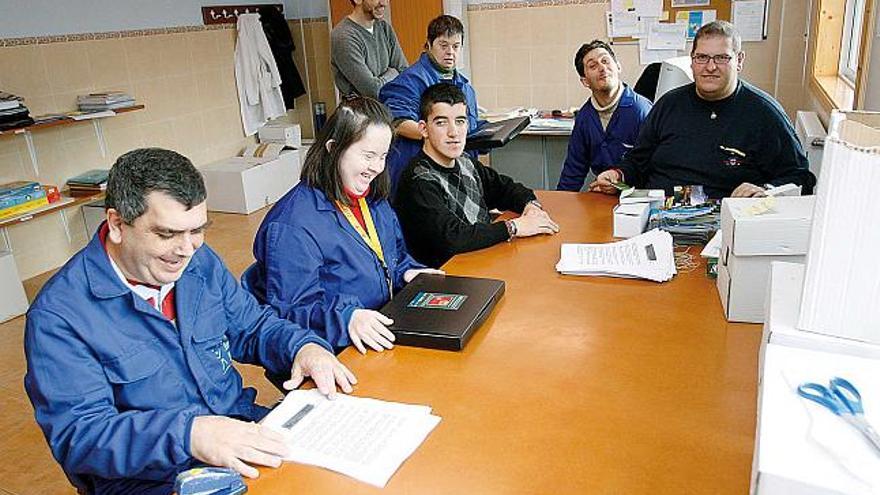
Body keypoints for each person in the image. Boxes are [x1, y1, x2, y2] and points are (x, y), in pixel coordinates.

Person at [24, 148, 355, 494]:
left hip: (239, 431)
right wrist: (189, 434)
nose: (186, 249)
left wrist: (304, 347)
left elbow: (253, 327)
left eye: (197, 230)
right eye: (167, 234)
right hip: (152, 479)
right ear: (117, 224)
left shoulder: (198, 262)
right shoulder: (60, 317)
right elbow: (82, 437)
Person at [245, 96, 441, 355]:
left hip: (377, 327)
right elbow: (291, 311)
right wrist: (347, 317)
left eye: (383, 156)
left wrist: (408, 272)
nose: (377, 168)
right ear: (333, 148)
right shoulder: (292, 225)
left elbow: (392, 256)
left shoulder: (372, 201)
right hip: (332, 347)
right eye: (368, 155)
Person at [592, 21, 816, 199]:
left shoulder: (765, 114)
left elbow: (800, 179)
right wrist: (617, 175)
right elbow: (637, 161)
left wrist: (765, 190)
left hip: (720, 229)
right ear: (692, 61)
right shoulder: (668, 105)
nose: (710, 67)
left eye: (721, 58)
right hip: (656, 217)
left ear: (739, 60)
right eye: (702, 57)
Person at [395, 83, 560, 268]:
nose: (453, 132)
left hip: (483, 259)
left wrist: (531, 206)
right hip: (448, 276)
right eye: (441, 122)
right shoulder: (418, 180)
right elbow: (452, 238)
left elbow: (505, 188)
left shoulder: (465, 161)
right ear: (424, 129)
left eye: (460, 121)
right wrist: (514, 227)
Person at [379, 14, 481, 195]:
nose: (450, 52)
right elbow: (398, 123)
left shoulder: (465, 87)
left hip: (455, 175)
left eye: (456, 46)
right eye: (444, 45)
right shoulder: (408, 81)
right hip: (418, 175)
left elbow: (471, 127)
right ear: (429, 44)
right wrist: (440, 136)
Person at [556, 40, 652, 193]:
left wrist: (619, 185)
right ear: (585, 81)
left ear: (618, 66)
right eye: (593, 66)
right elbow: (573, 170)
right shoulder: (585, 117)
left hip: (639, 198)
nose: (602, 68)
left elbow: (653, 167)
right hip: (602, 195)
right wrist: (559, 205)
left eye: (605, 61)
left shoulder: (640, 110)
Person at [331, 0, 408, 99]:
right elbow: (373, 91)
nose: (384, 3)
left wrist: (384, 80)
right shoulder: (343, 36)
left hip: (389, 110)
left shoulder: (384, 27)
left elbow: (404, 72)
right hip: (361, 113)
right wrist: (393, 72)